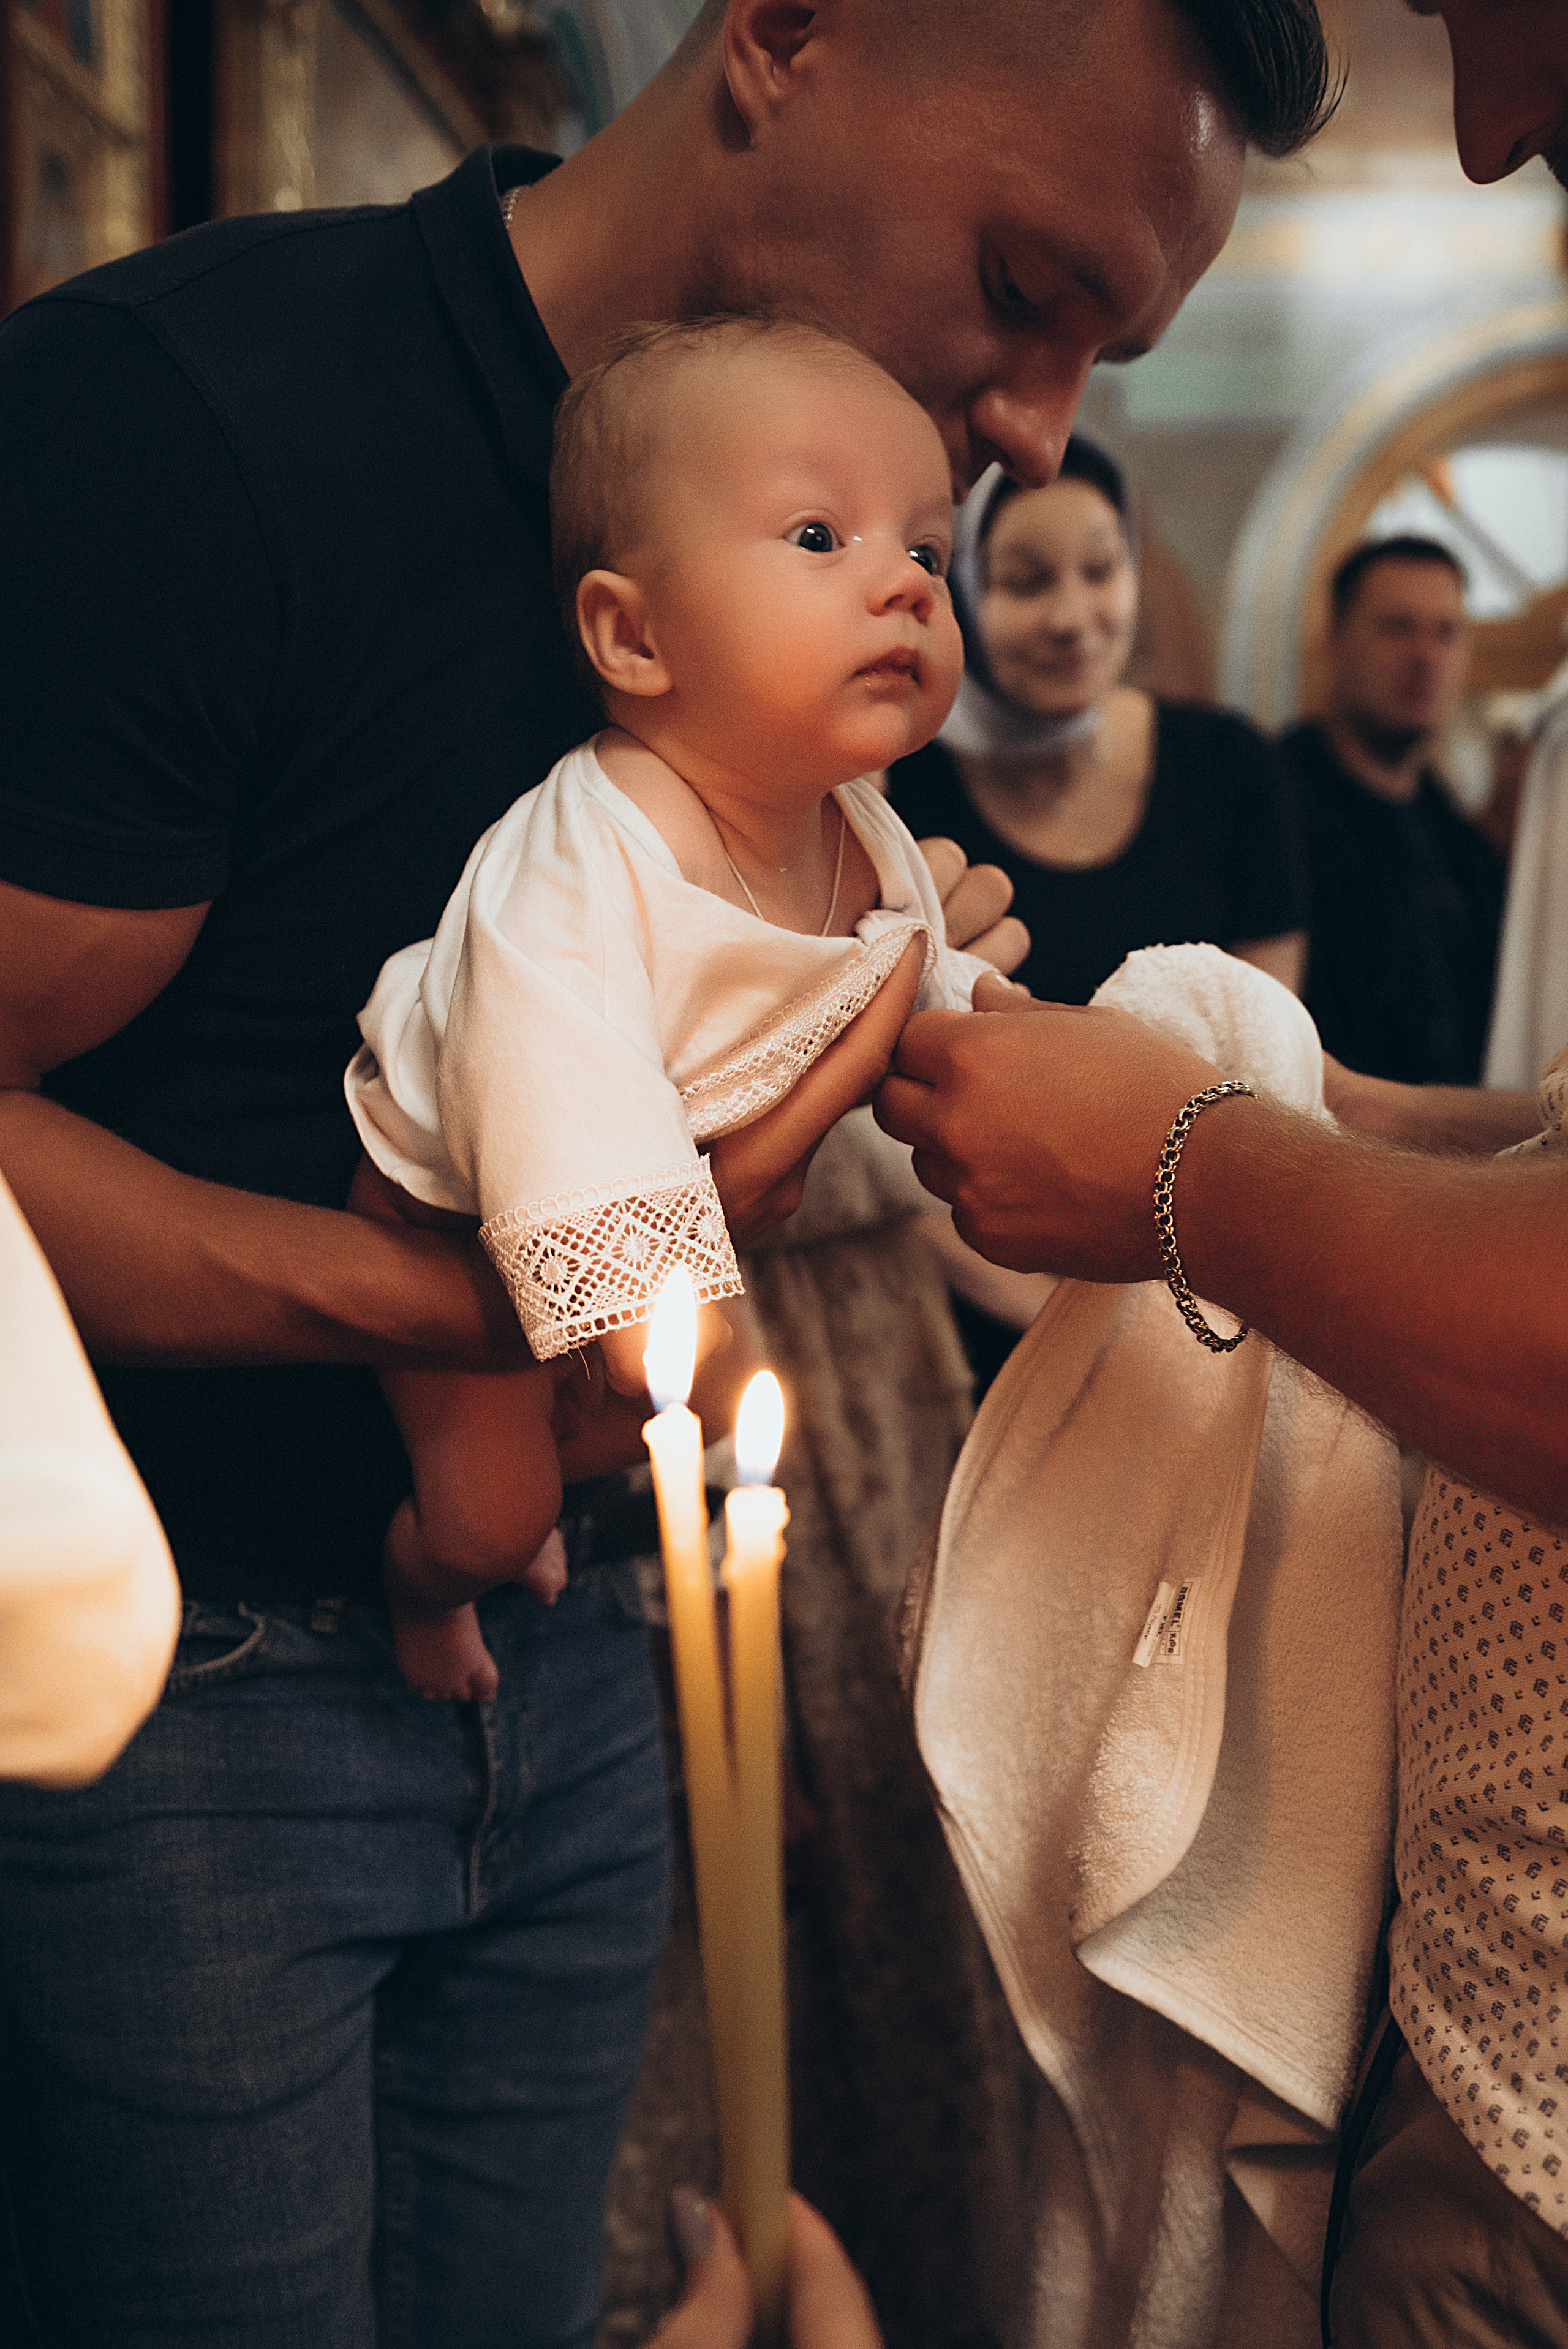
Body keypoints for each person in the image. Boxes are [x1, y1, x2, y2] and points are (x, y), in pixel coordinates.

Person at [0, 0, 1338, 2334]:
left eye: (1104, 351)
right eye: (1025, 289)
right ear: (786, 36)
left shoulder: (851, 577)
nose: (1037, 428)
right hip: (186, 1702)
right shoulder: (191, 429)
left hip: (597, 1635)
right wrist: (472, 1292)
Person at [345, 315, 978, 1703]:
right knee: (489, 1509)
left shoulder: (862, 833)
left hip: (664, 1214)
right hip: (450, 1201)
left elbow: (934, 986)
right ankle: (426, 1589)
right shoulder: (589, 847)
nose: (906, 585)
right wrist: (640, 1286)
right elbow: (548, 1060)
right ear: (632, 635)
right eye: (820, 537)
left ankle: (554, 1469)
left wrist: (1002, 1064)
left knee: (631, 1424)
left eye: (926, 549)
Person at [888, 435, 1307, 1388]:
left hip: (1206, 1287)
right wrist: (1061, 1327)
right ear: (957, 592)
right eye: (1026, 580)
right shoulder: (901, 795)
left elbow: (1271, 1061)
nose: (1075, 618)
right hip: (979, 1308)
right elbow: (889, 1118)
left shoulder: (1229, 767)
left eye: (1102, 568)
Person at [1279, 535, 1506, 1085]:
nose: (1425, 656)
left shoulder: (1465, 846)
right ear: (1335, 644)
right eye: (1397, 628)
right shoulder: (1269, 807)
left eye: (1445, 632)